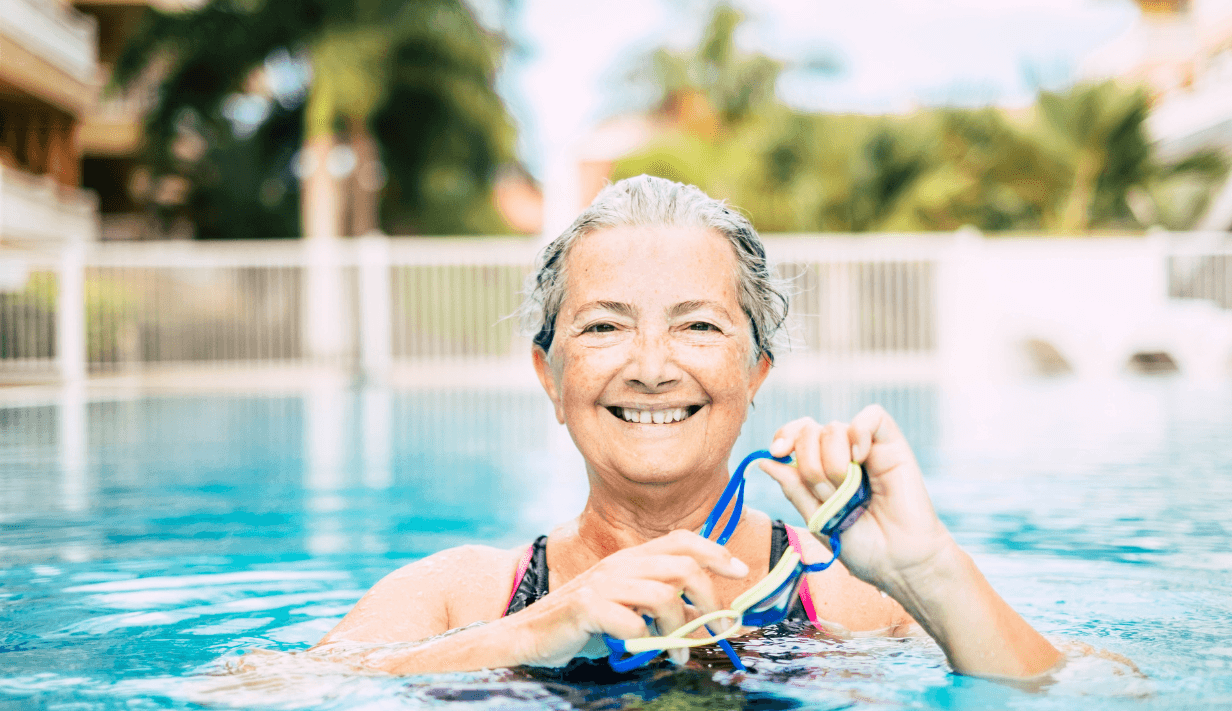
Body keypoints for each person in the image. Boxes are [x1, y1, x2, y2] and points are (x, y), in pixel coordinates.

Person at [309, 175, 1062, 678]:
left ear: (754, 372)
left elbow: (1096, 695)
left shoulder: (853, 605)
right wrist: (530, 632)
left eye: (698, 326)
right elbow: (253, 697)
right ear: (551, 378)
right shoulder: (460, 600)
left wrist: (928, 574)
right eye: (604, 327)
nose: (651, 367)